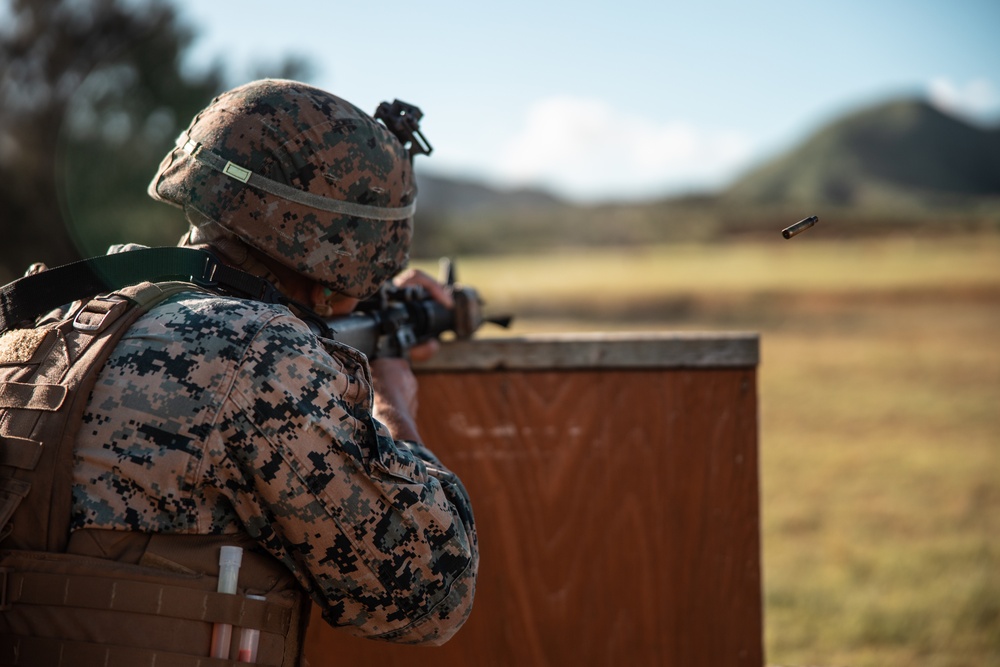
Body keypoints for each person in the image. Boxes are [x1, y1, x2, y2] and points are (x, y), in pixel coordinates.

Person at [0, 79, 477, 666]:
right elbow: (430, 593)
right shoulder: (258, 353)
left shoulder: (54, 316)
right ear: (341, 249)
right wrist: (394, 407)